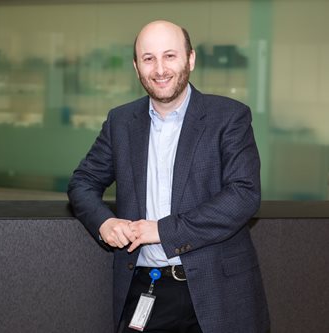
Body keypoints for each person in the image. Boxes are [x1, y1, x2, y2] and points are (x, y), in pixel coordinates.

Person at [68, 20, 270, 333]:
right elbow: (82, 183)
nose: (160, 69)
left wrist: (162, 231)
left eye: (170, 56)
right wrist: (104, 223)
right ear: (137, 68)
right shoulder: (121, 121)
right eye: (148, 59)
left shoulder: (229, 116)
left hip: (217, 291)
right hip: (145, 289)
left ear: (190, 59)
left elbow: (244, 195)